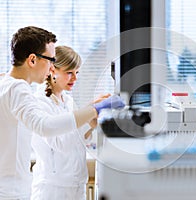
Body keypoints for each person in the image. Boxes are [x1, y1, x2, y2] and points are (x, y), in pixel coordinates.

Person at [0, 26, 124, 199]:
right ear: (32, 60)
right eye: (50, 60)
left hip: (14, 187)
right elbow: (45, 126)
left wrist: (89, 117)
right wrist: (92, 110)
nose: (51, 67)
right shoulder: (18, 88)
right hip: (14, 191)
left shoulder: (7, 84)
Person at [30, 45, 104, 200]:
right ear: (52, 70)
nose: (75, 78)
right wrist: (87, 113)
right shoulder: (40, 103)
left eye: (77, 72)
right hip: (53, 189)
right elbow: (60, 143)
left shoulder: (68, 101)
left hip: (76, 185)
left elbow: (79, 138)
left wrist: (91, 123)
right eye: (69, 73)